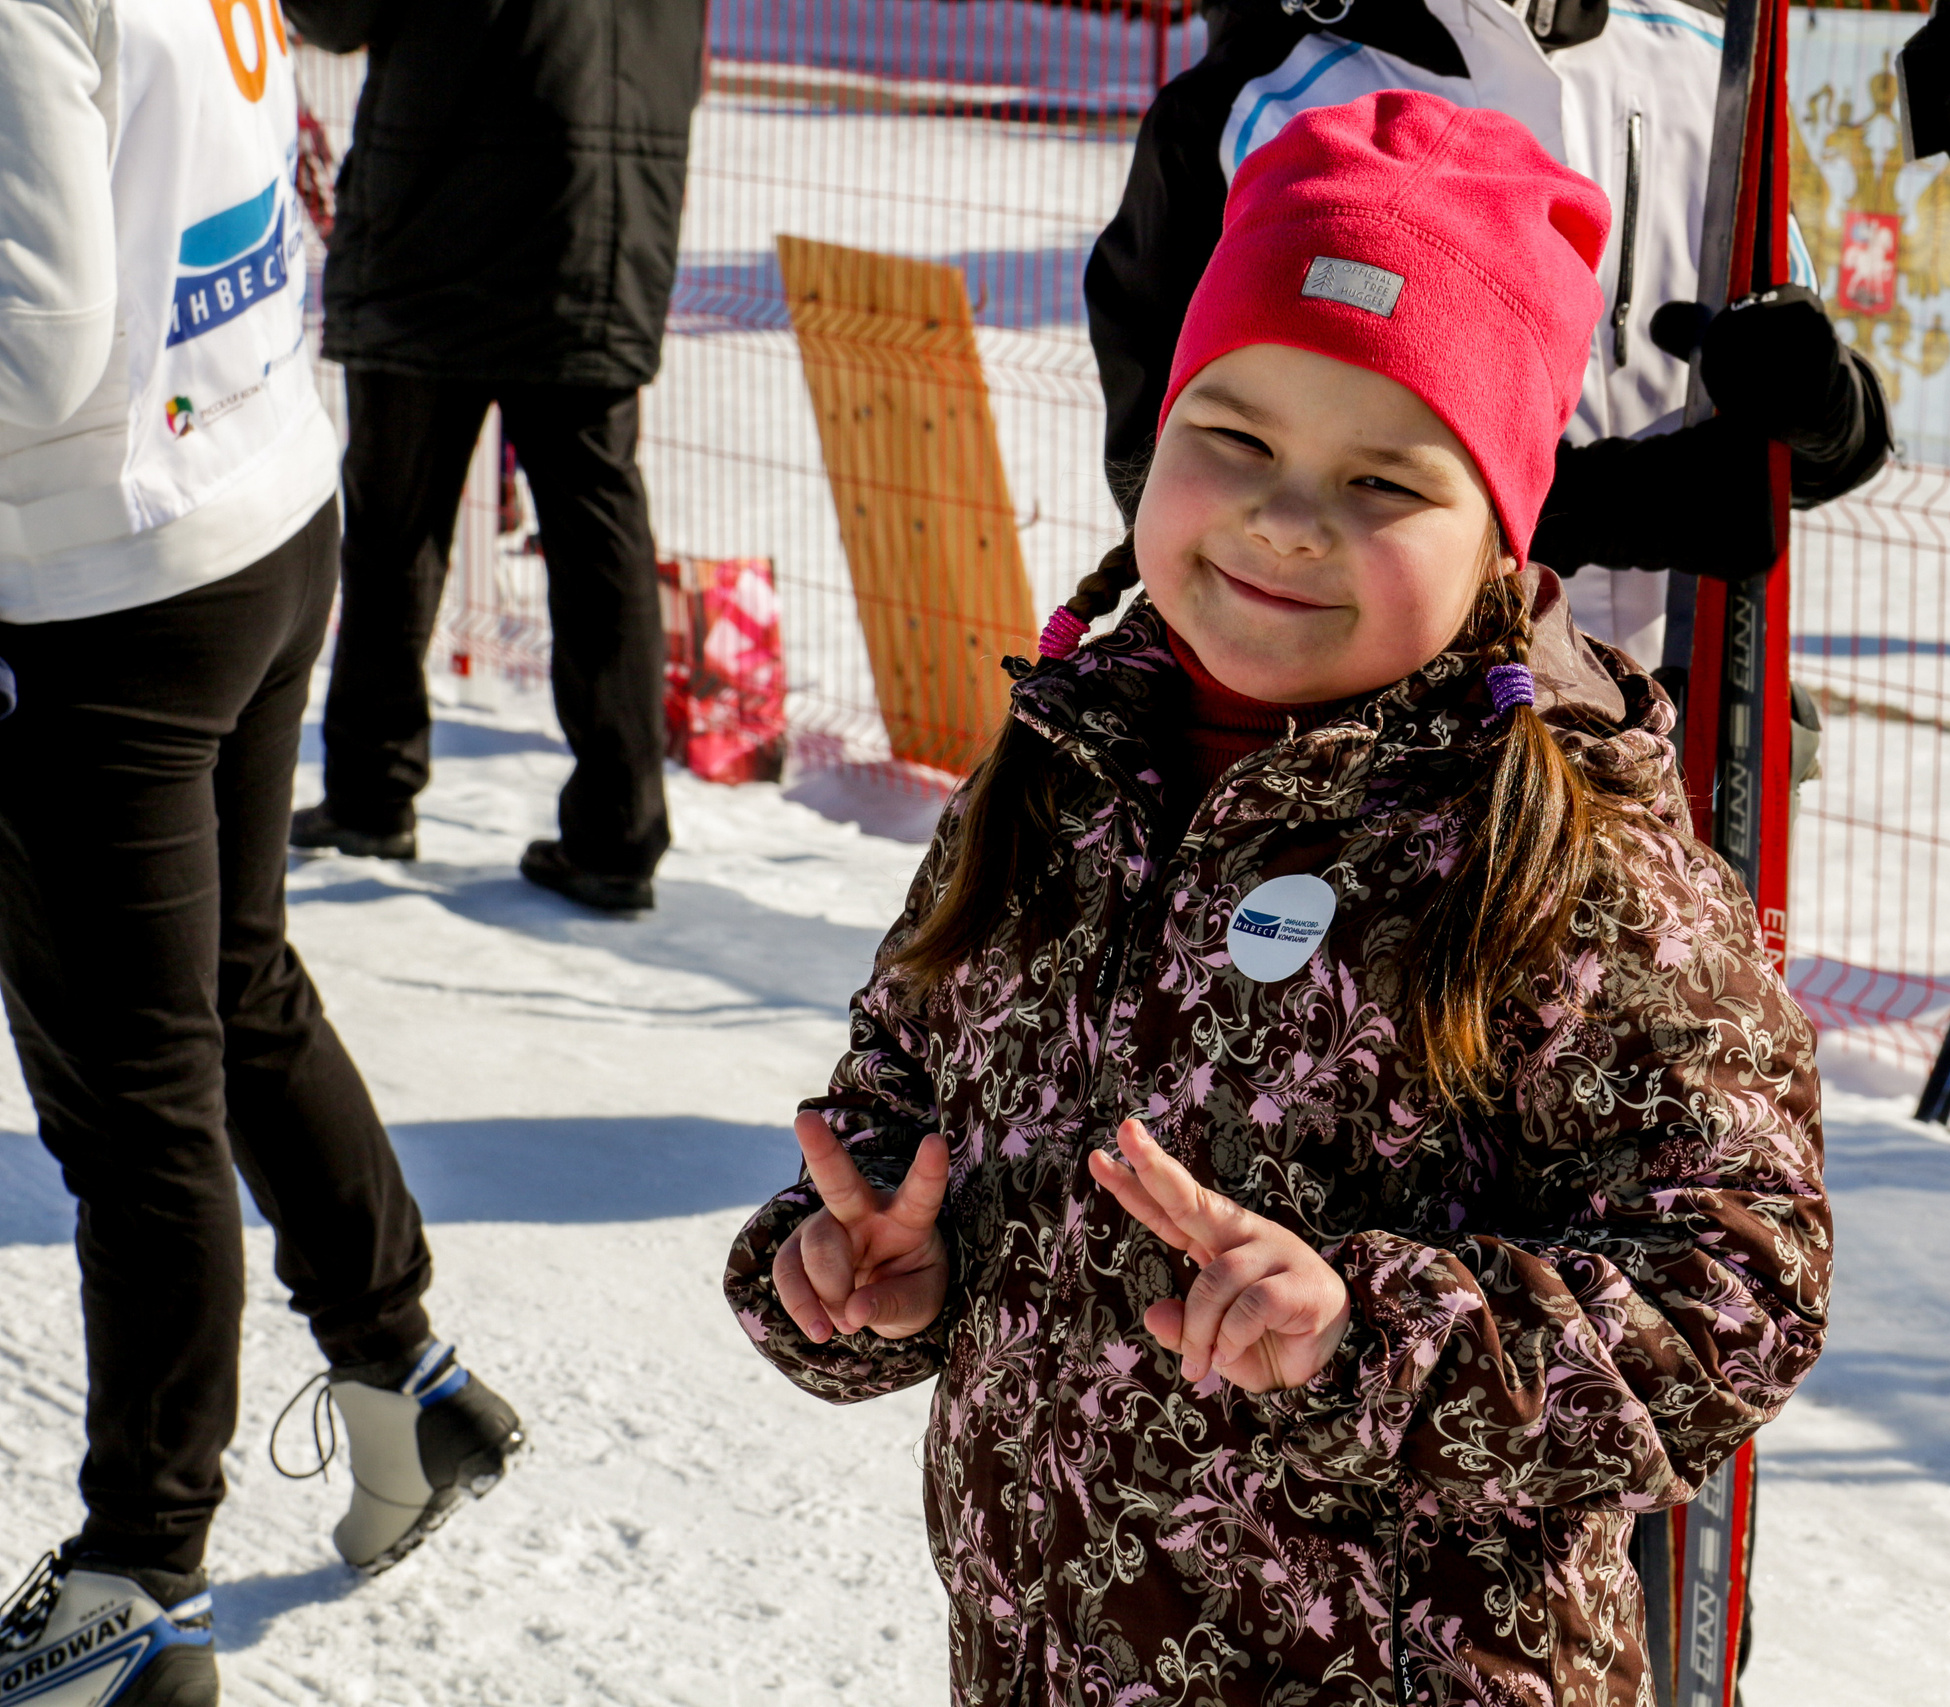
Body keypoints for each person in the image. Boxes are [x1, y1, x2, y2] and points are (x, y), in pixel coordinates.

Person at [726, 91, 1828, 1703]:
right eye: (1234, 439)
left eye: (1386, 480)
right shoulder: (1059, 768)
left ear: (1501, 535)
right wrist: (867, 1260)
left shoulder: (1563, 848)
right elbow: (903, 1083)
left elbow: (1737, 1283)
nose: (1289, 516)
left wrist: (1362, 1333)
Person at [0, 1, 523, 1697]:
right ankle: (406, 1375)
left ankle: (141, 1580)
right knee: (233, 982)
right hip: (254, 504)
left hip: (105, 589)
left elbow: (34, 350)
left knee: (135, 1100)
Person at [1087, 0, 1892, 673]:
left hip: (1689, 729)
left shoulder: (1707, 53)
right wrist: (1608, 506)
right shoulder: (1256, 95)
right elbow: (1171, 474)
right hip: (1384, 752)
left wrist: (1825, 416)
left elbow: (1793, 431)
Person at [280, 0, 706, 914]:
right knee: (598, 535)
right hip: (603, 215)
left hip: (434, 214)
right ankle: (618, 833)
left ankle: (370, 792)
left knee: (396, 526)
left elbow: (336, 11)